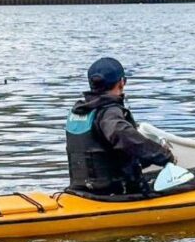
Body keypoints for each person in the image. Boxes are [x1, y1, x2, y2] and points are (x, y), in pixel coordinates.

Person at [66, 56, 174, 195]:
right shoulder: (108, 113)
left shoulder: (80, 111)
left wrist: (148, 158)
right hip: (115, 194)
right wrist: (163, 155)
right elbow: (123, 136)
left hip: (82, 191)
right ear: (121, 83)